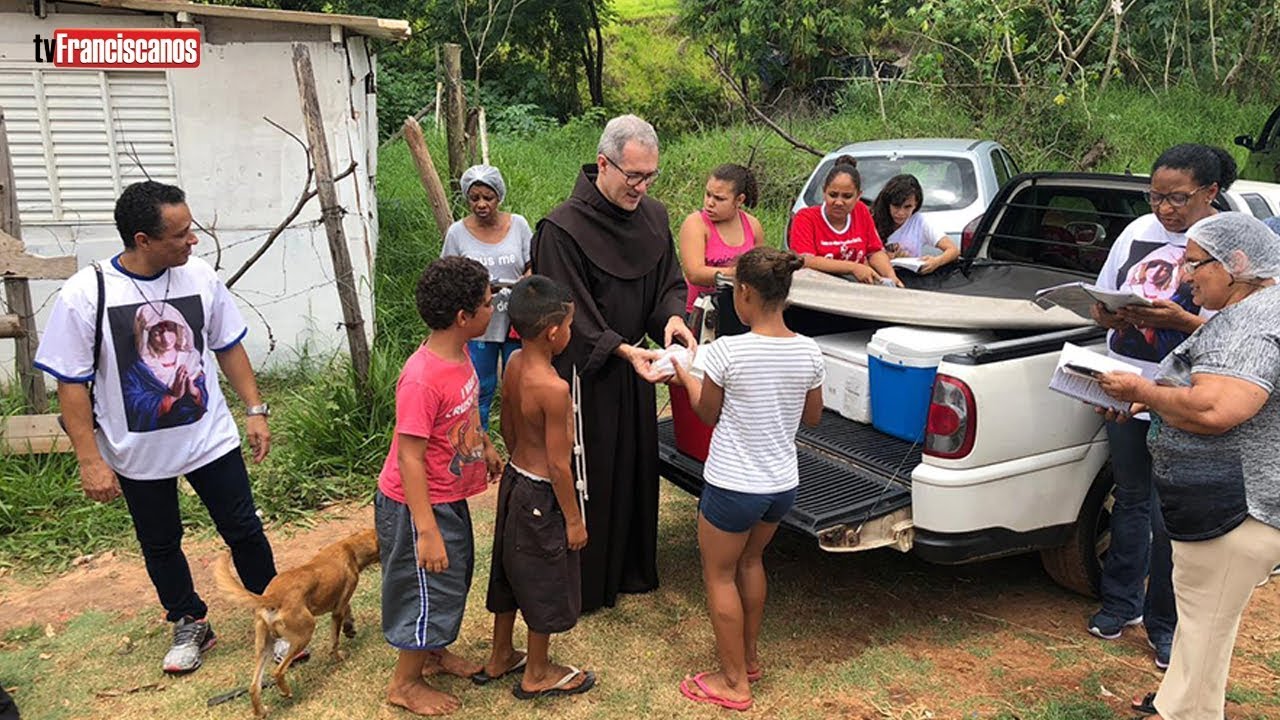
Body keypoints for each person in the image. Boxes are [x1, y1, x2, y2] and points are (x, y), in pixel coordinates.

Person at [33, 180, 284, 675]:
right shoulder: (87, 294)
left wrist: (255, 409)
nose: (193, 241)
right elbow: (71, 385)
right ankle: (189, 619)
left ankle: (275, 614)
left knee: (244, 529)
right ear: (143, 240)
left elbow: (227, 346)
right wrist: (90, 459)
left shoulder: (201, 278)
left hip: (209, 439)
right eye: (181, 234)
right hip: (136, 451)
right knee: (160, 542)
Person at [1094, 213, 1280, 720]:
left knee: (1204, 630)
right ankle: (1172, 701)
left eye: (1194, 264)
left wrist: (1139, 390)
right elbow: (1202, 393)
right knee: (1204, 625)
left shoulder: (1253, 324)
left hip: (1233, 510)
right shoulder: (1247, 311)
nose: (1184, 277)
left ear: (1236, 265)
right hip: (1223, 505)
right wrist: (1144, 404)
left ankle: (1185, 710)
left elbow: (1217, 409)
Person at [531, 114, 697, 613]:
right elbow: (565, 311)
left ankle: (631, 570)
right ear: (603, 164)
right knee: (592, 472)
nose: (642, 188)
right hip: (586, 377)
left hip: (638, 370)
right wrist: (619, 348)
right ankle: (589, 580)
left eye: (651, 177)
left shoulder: (654, 216)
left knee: (634, 468)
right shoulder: (562, 229)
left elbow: (668, 281)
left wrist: (671, 318)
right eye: (634, 177)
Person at [1085, 143, 1236, 669]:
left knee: (1170, 515)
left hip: (1190, 397)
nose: (1164, 209)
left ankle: (1165, 625)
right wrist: (1112, 317)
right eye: (1156, 196)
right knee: (1129, 498)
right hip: (1127, 387)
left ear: (1210, 192)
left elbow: (1249, 329)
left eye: (1177, 198)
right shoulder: (1134, 234)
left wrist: (1183, 323)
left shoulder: (1231, 243)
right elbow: (1101, 304)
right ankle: (1119, 604)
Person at [668, 247, 825, 712]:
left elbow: (706, 413)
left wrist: (683, 373)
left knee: (718, 576)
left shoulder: (726, 352)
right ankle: (750, 659)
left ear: (745, 293)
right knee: (752, 563)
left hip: (734, 484)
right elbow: (813, 417)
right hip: (781, 484)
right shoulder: (809, 350)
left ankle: (733, 682)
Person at [375, 256, 503, 716]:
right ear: (464, 317)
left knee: (450, 580)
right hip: (417, 506)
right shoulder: (422, 377)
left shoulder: (459, 352)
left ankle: (433, 652)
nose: (495, 309)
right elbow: (409, 454)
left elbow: (462, 416)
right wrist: (425, 529)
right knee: (424, 585)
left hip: (446, 498)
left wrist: (484, 445)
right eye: (489, 303)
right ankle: (404, 684)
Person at [478, 275, 595, 700]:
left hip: (515, 480)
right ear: (552, 332)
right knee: (545, 575)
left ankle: (500, 654)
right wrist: (574, 519)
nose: (570, 333)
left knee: (509, 568)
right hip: (543, 494)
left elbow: (508, 426)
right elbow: (561, 468)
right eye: (569, 326)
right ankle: (538, 672)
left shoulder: (512, 366)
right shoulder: (554, 388)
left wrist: (520, 463)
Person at [440, 164, 533, 431]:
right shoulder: (457, 233)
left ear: (499, 197)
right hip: (478, 324)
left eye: (488, 198)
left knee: (518, 386)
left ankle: (521, 445)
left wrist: (526, 278)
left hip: (515, 320)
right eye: (474, 198)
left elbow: (532, 263)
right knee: (482, 386)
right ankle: (477, 444)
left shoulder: (518, 226)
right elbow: (448, 274)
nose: (481, 204)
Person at [787, 155, 902, 286]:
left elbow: (874, 251)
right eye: (833, 195)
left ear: (858, 195)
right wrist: (853, 268)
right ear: (824, 192)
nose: (839, 202)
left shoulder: (861, 211)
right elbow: (805, 260)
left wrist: (890, 276)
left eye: (847, 196)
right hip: (818, 291)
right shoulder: (805, 217)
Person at [678, 163, 763, 312]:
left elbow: (761, 267)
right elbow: (694, 273)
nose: (710, 203)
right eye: (708, 194)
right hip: (700, 312)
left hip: (741, 312)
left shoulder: (752, 225)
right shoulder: (696, 224)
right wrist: (738, 273)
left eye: (719, 198)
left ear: (739, 200)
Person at [870, 173, 961, 274]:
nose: (901, 213)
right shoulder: (871, 219)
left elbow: (953, 250)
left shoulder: (920, 222)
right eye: (896, 206)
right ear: (888, 203)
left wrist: (936, 262)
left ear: (916, 205)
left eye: (907, 207)